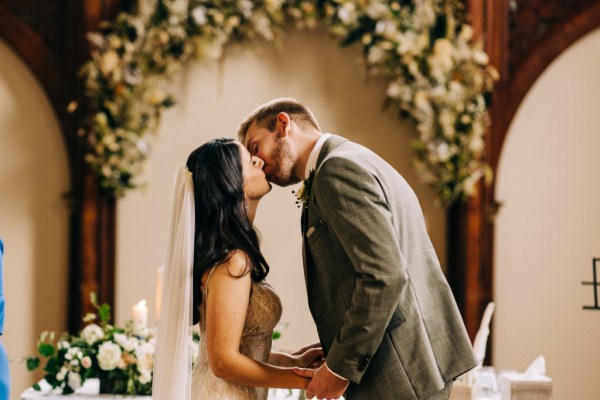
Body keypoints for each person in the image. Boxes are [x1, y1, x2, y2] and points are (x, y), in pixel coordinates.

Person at [239, 98, 479, 400]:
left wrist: (340, 368)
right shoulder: (352, 158)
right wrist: (335, 345)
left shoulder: (336, 169)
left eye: (255, 147)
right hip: (410, 361)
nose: (256, 161)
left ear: (283, 124)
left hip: (400, 372)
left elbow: (385, 276)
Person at [152, 138, 323, 400]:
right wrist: (305, 380)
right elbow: (223, 362)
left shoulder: (230, 254)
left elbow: (239, 350)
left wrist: (293, 360)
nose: (260, 161)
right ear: (231, 183)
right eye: (249, 161)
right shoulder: (232, 260)